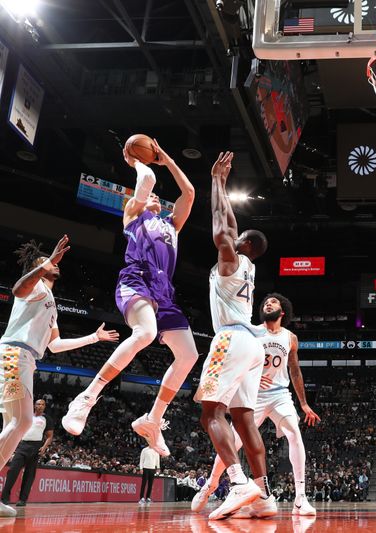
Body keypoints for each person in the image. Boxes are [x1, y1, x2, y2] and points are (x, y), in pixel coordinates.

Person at [62, 141, 199, 457]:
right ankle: (87, 396)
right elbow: (147, 181)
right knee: (146, 334)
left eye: (156, 199)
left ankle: (153, 419)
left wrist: (168, 159)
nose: (153, 198)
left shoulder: (171, 225)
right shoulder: (133, 215)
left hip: (164, 295)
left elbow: (189, 193)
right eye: (148, 197)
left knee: (189, 355)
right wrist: (134, 160)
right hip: (135, 282)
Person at [0, 238, 118, 518]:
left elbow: (56, 346)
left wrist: (94, 338)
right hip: (14, 354)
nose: (54, 265)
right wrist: (45, 262)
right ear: (38, 268)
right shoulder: (35, 287)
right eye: (46, 263)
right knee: (23, 421)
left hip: (26, 358)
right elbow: (17, 289)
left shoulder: (51, 303)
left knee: (14, 425)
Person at [192, 293, 321, 516]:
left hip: (280, 394)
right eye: (265, 302)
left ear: (282, 312)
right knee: (233, 442)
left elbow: (295, 370)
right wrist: (253, 371)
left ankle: (300, 498)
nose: (268, 303)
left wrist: (304, 404)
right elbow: (241, 358)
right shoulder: (251, 331)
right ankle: (211, 485)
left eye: (273, 302)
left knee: (294, 433)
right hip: (254, 395)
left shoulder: (290, 337)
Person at [193, 151, 271, 520]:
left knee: (210, 413)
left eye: (238, 238)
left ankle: (239, 483)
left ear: (245, 246)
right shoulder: (247, 264)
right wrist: (223, 186)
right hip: (251, 346)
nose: (232, 237)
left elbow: (220, 227)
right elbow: (231, 224)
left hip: (230, 339)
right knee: (243, 418)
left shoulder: (231, 257)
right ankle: (264, 493)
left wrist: (215, 183)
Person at [1, 399, 54, 507]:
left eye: (43, 404)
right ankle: (4, 498)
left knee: (29, 474)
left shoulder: (46, 419)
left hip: (36, 447)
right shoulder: (27, 417)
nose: (40, 406)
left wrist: (44, 447)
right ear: (34, 405)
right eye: (38, 404)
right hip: (22, 445)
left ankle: (22, 500)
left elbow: (49, 436)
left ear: (44, 406)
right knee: (13, 470)